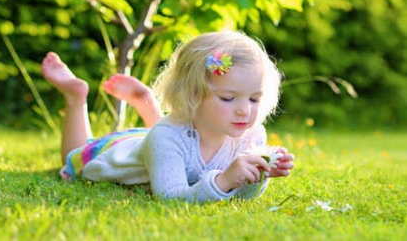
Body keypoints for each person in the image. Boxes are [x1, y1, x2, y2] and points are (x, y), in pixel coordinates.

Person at [41, 31, 295, 203]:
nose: (244, 110)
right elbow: (171, 197)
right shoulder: (166, 137)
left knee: (169, 137)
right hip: (117, 151)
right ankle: (76, 98)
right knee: (75, 155)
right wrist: (224, 179)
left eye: (254, 99)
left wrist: (257, 174)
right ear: (192, 95)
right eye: (228, 98)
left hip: (159, 139)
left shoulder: (251, 133)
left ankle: (146, 103)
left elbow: (242, 195)